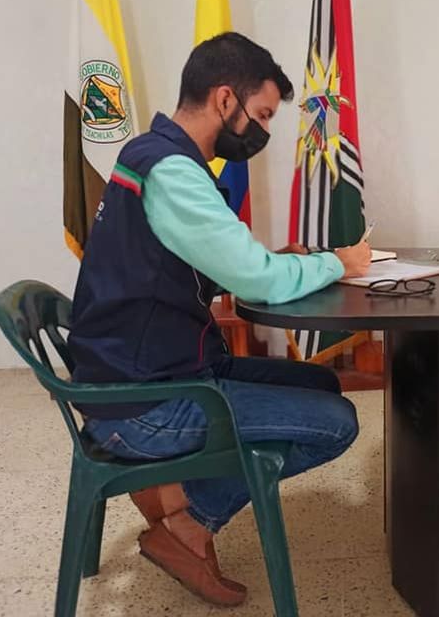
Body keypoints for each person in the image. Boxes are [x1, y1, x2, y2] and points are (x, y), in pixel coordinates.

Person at [69, 32, 371, 606]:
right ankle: (187, 525)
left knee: (320, 384)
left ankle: (176, 500)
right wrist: (340, 262)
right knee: (336, 422)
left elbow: (204, 264)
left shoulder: (151, 153)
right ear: (225, 99)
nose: (262, 132)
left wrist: (275, 262)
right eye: (262, 115)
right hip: (143, 402)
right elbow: (254, 282)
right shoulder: (173, 171)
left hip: (139, 370)